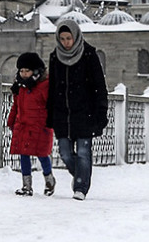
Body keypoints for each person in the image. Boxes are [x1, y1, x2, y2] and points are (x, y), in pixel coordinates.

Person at [46, 19, 108, 201]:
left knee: (83, 152)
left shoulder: (88, 55)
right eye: (62, 38)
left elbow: (99, 86)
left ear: (76, 37)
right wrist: (50, 114)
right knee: (65, 153)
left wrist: (101, 112)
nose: (66, 42)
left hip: (85, 113)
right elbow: (53, 87)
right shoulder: (55, 57)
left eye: (69, 38)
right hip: (63, 115)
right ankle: (81, 174)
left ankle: (81, 186)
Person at [6, 52, 56, 197]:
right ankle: (26, 185)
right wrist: (11, 120)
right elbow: (16, 106)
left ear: (36, 71)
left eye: (27, 70)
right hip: (23, 125)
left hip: (41, 126)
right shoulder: (20, 86)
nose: (24, 74)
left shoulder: (45, 85)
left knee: (42, 154)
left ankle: (49, 180)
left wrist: (52, 121)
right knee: (24, 154)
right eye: (21, 71)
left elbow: (51, 105)